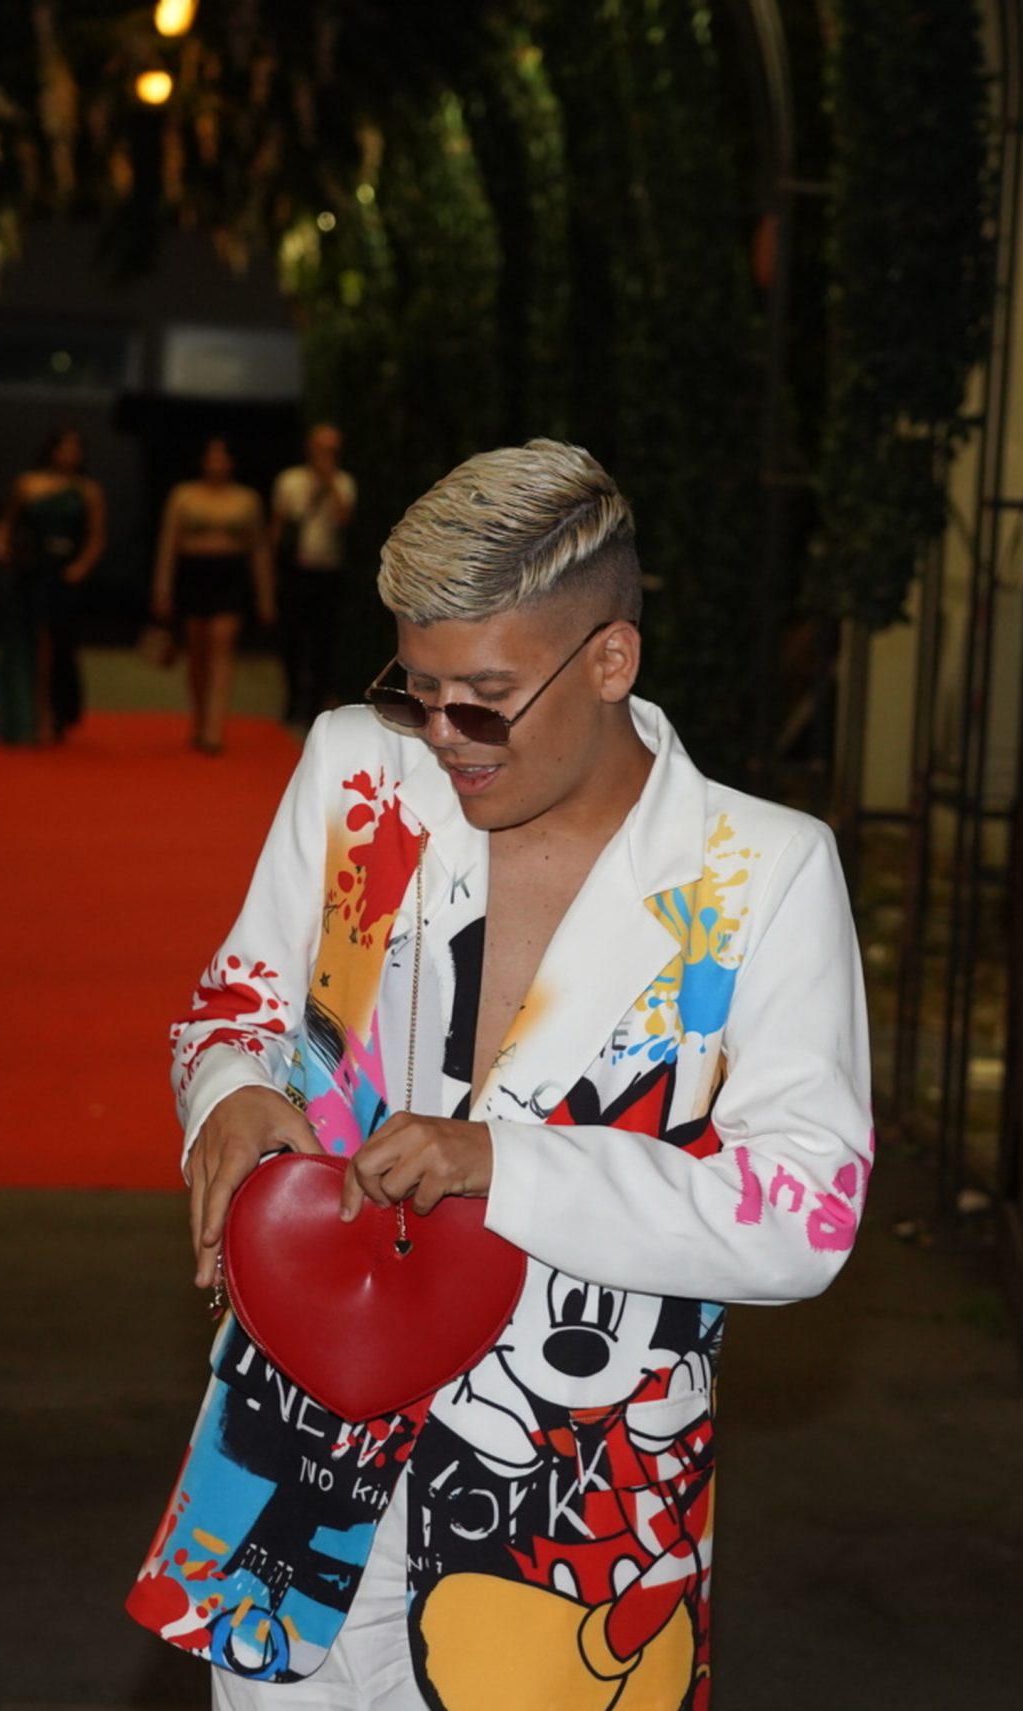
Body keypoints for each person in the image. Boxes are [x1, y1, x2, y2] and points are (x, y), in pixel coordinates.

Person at [128, 440, 875, 1709]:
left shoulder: (759, 873)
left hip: (572, 1521)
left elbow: (806, 1214)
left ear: (610, 659)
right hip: (292, 1449)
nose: (443, 736)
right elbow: (235, 1008)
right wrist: (233, 1093)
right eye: (416, 690)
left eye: (483, 698)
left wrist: (504, 1165)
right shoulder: (358, 773)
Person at [152, 435, 277, 755]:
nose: (217, 463)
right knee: (197, 651)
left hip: (229, 575)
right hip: (194, 574)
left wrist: (265, 594)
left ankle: (214, 727)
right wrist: (162, 587)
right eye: (212, 456)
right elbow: (168, 543)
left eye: (223, 457)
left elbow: (258, 549)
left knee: (222, 646)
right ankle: (199, 717)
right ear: (203, 460)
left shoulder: (246, 499)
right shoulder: (184, 494)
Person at [0, 428, 106, 745]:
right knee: (31, 640)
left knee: (58, 642)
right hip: (31, 569)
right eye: (64, 447)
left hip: (64, 573)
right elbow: (6, 523)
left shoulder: (87, 490)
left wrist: (81, 567)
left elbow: (96, 537)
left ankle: (54, 711)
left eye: (75, 448)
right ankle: (29, 713)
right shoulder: (28, 484)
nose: (69, 454)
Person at [269, 423, 358, 725]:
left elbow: (344, 519)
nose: (325, 454)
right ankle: (293, 696)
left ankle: (316, 702)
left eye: (332, 449)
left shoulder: (344, 482)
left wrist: (329, 482)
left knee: (324, 640)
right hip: (295, 570)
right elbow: (278, 526)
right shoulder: (290, 480)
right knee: (291, 637)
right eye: (321, 448)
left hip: (328, 570)